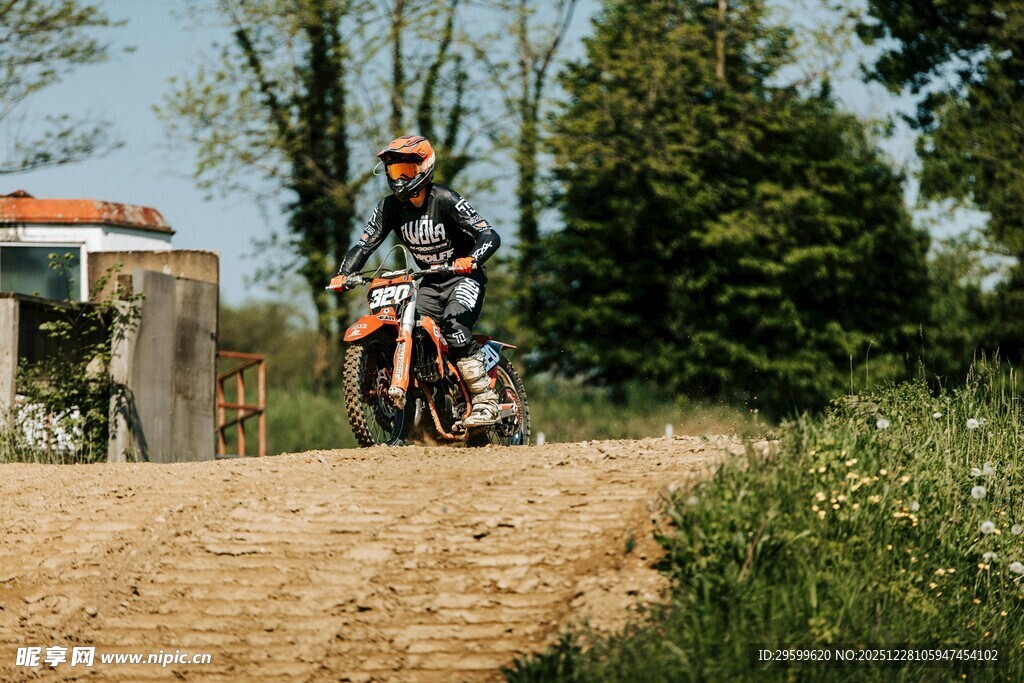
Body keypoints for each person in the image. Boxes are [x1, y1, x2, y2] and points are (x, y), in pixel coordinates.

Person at [329, 135, 501, 427]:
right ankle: (428, 407)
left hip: (464, 278)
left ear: (425, 167)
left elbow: (489, 234)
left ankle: (486, 401)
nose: (400, 179)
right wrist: (345, 273)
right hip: (430, 283)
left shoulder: (444, 199)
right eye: (395, 172)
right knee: (414, 331)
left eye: (406, 172)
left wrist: (471, 259)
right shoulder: (389, 208)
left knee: (454, 327)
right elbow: (365, 244)